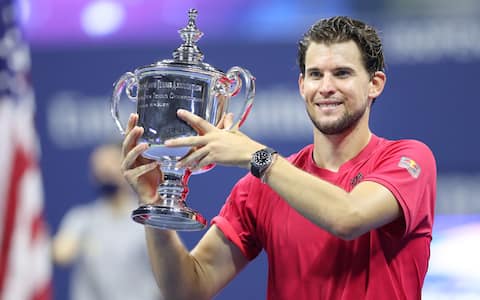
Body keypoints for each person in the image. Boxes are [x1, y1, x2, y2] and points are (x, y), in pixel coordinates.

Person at [121, 16, 436, 300]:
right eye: (315, 74)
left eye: (342, 73)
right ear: (302, 85)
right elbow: (188, 289)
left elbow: (348, 217)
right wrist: (156, 204)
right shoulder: (260, 187)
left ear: (374, 84)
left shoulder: (408, 159)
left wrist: (257, 158)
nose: (326, 87)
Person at [52, 143, 162, 300]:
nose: (104, 171)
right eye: (99, 166)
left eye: (110, 164)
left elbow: (171, 271)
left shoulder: (149, 219)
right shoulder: (81, 219)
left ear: (128, 167)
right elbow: (61, 254)